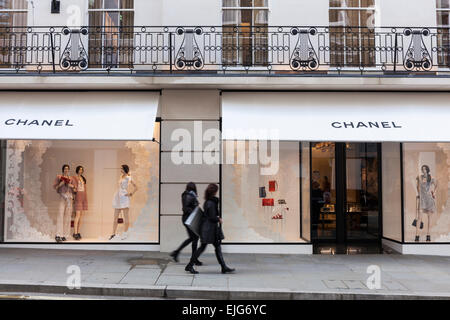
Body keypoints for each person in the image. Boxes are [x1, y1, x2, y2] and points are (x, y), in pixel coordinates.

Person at [185, 184, 235, 274]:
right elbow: (212, 217)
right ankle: (190, 265)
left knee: (216, 247)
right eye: (216, 190)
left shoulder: (209, 201)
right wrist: (218, 219)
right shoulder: (211, 203)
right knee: (203, 248)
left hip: (210, 229)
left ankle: (223, 267)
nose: (217, 192)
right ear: (214, 192)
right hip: (208, 230)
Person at [169, 183, 202, 266]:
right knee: (194, 238)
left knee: (193, 238)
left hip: (189, 219)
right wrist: (194, 211)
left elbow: (191, 205)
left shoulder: (190, 195)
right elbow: (186, 208)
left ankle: (177, 253)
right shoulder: (188, 195)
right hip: (188, 219)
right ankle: (193, 259)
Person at [110, 164, 138, 240]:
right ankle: (113, 233)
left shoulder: (128, 177)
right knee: (115, 217)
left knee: (126, 217)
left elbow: (136, 187)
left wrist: (131, 193)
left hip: (124, 197)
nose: (120, 170)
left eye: (122, 168)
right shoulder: (121, 177)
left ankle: (125, 233)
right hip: (118, 196)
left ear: (125, 169)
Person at [413, 165, 437, 242]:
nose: (423, 170)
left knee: (429, 218)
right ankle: (417, 235)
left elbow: (436, 185)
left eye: (425, 169)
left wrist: (434, 193)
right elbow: (417, 187)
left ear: (427, 170)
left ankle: (428, 235)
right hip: (422, 199)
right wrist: (418, 194)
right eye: (422, 169)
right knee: (419, 218)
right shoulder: (419, 177)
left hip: (429, 199)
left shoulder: (431, 177)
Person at [53, 164, 76, 243]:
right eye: (65, 168)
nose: (66, 170)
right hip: (62, 197)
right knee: (60, 214)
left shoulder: (71, 178)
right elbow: (55, 188)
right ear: (63, 169)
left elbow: (75, 190)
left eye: (67, 169)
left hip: (69, 198)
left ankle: (66, 234)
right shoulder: (59, 177)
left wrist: (72, 186)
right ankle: (59, 234)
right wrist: (61, 184)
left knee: (68, 216)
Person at [72, 166, 88, 241]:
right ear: (77, 170)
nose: (81, 171)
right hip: (78, 197)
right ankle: (75, 232)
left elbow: (84, 189)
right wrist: (73, 197)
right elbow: (73, 188)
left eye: (82, 170)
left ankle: (78, 232)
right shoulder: (74, 178)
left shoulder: (83, 178)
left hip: (83, 197)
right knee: (77, 216)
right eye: (80, 169)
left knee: (81, 216)